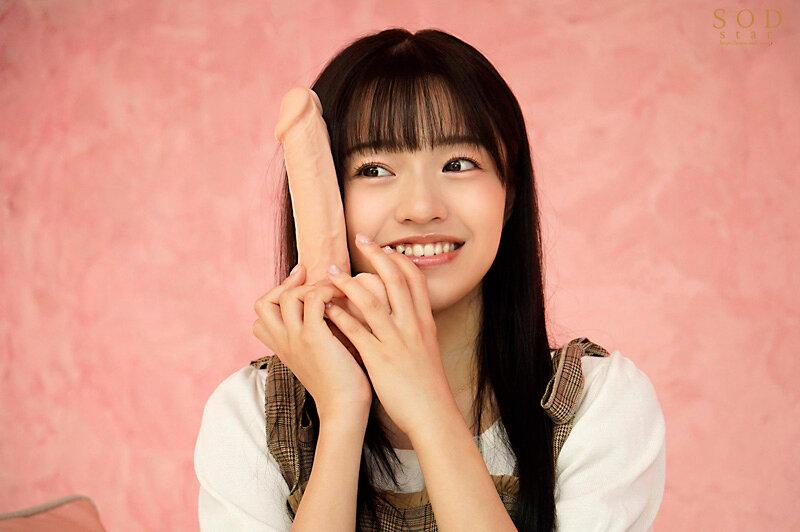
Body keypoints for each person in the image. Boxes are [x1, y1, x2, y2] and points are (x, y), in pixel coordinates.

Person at [194, 27, 666, 531]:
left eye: (458, 164)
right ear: (323, 197)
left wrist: (427, 406)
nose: (421, 208)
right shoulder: (251, 413)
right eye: (375, 169)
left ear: (509, 194)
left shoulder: (599, 402)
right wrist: (342, 413)